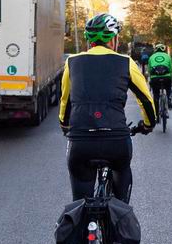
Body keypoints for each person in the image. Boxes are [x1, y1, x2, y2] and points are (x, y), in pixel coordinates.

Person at [59, 13, 155, 205]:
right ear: (114, 38)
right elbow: (145, 99)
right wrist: (148, 124)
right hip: (116, 139)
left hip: (81, 141)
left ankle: (81, 228)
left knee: (79, 202)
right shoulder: (126, 62)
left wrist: (65, 125)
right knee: (121, 194)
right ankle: (119, 219)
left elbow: (66, 101)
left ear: (89, 40)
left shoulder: (72, 62)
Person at [148, 43, 172, 111]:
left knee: (156, 92)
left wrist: (151, 79)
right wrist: (171, 78)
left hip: (155, 78)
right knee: (168, 88)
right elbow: (171, 69)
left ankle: (156, 109)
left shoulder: (151, 57)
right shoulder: (167, 56)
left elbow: (149, 70)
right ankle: (169, 100)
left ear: (155, 50)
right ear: (164, 49)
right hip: (166, 77)